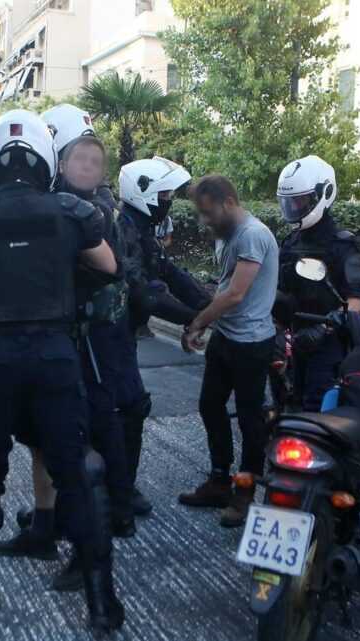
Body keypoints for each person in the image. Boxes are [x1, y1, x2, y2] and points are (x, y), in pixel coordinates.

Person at [0, 109, 124, 633]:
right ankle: (102, 602)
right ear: (46, 159)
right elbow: (109, 267)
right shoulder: (70, 212)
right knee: (75, 472)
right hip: (54, 357)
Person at [0, 108, 137, 587]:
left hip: (88, 340)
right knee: (44, 439)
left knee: (81, 443)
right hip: (61, 340)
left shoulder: (88, 210)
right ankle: (47, 524)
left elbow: (108, 269)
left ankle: (91, 544)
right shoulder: (63, 202)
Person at [176, 176, 279, 527]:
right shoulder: (230, 234)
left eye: (208, 212)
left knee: (250, 419)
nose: (204, 220)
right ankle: (220, 481)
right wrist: (209, 323)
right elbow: (224, 288)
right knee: (210, 405)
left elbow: (235, 294)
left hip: (251, 343)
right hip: (226, 337)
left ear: (229, 202)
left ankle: (245, 494)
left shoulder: (252, 235)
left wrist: (198, 322)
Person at [117, 156, 212, 515]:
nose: (168, 201)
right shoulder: (123, 231)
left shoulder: (140, 228)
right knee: (127, 407)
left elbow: (170, 273)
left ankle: (117, 487)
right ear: (143, 193)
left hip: (123, 334)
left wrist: (209, 307)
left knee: (126, 408)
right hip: (108, 336)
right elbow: (147, 295)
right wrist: (197, 318)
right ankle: (118, 492)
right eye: (164, 195)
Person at [275, 155, 360, 413]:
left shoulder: (344, 245)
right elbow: (279, 291)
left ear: (324, 193)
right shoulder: (290, 243)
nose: (294, 207)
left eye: (300, 200)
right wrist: (278, 332)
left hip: (327, 344)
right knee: (285, 406)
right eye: (290, 201)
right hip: (292, 340)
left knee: (317, 410)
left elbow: (355, 304)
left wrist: (325, 329)